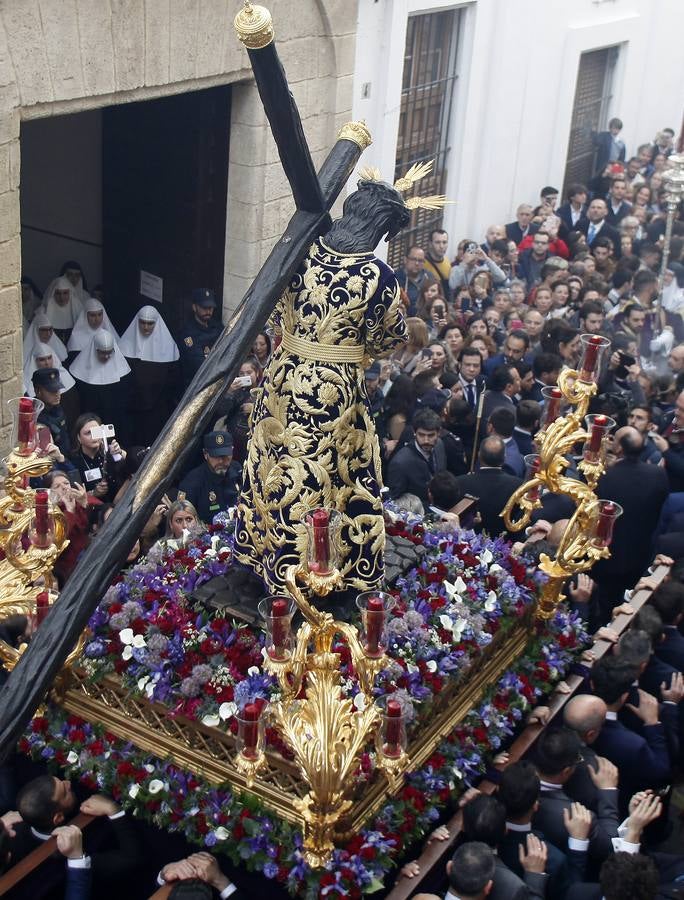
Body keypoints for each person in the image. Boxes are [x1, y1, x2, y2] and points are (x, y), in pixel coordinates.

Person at [234, 175, 409, 597]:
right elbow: (391, 337)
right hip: (335, 394)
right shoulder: (379, 278)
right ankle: (325, 564)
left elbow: (273, 311)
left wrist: (301, 341)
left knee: (274, 463)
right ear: (377, 228)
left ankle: (269, 553)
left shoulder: (300, 253)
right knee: (334, 472)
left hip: (282, 379)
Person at [7, 777, 141, 900]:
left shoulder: (13, 830)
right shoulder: (65, 860)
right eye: (65, 792)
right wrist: (113, 809)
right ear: (58, 818)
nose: (69, 783)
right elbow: (132, 858)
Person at [591, 427, 669, 621]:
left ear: (618, 449)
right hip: (640, 554)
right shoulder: (657, 475)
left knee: (603, 605)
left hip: (607, 557)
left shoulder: (606, 478)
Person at [119, 305, 181, 446]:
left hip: (159, 412)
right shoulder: (125, 347)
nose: (146, 327)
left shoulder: (169, 349)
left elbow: (174, 384)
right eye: (142, 322)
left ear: (156, 323)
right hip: (133, 412)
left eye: (150, 323)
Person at [69, 328, 131, 442]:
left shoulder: (123, 372)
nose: (107, 356)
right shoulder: (80, 371)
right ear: (94, 350)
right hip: (92, 422)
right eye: (102, 352)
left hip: (116, 421)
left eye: (110, 352)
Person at [455, 436, 523, 538]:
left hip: (466, 545)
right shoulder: (518, 486)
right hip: (503, 546)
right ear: (504, 458)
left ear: (479, 455)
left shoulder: (460, 482)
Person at [178, 431, 242, 525]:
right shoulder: (191, 483)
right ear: (205, 454)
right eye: (215, 456)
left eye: (224, 456)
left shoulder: (238, 470)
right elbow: (182, 519)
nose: (220, 461)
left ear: (232, 451)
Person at [386, 408, 447, 505]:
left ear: (439, 433)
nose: (426, 440)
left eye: (431, 435)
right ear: (414, 432)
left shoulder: (439, 445)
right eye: (421, 435)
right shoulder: (400, 463)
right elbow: (395, 502)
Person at [69, 412, 127, 504]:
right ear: (79, 438)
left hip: (119, 503)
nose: (94, 436)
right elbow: (75, 496)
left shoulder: (111, 450)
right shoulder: (74, 462)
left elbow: (133, 465)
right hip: (93, 509)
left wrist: (120, 452)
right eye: (88, 433)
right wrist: (93, 493)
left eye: (96, 431)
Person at [177, 288, 224, 389]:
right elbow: (198, 363)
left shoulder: (217, 326)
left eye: (210, 308)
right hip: (195, 385)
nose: (208, 311)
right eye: (204, 308)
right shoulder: (188, 333)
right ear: (194, 307)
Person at [25, 342, 79, 427]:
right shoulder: (27, 386)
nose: (47, 363)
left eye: (49, 358)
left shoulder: (58, 409)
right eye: (42, 359)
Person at [41, 275, 84, 345]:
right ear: (53, 294)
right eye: (58, 293)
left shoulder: (78, 308)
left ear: (70, 293)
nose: (62, 297)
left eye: (65, 293)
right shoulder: (44, 311)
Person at [394, 244, 431, 316]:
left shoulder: (429, 277)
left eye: (420, 260)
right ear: (405, 260)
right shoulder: (395, 278)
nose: (417, 263)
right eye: (413, 259)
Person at [423, 228, 451, 298]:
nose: (441, 246)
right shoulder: (422, 263)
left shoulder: (448, 262)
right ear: (430, 244)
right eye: (437, 242)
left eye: (444, 242)